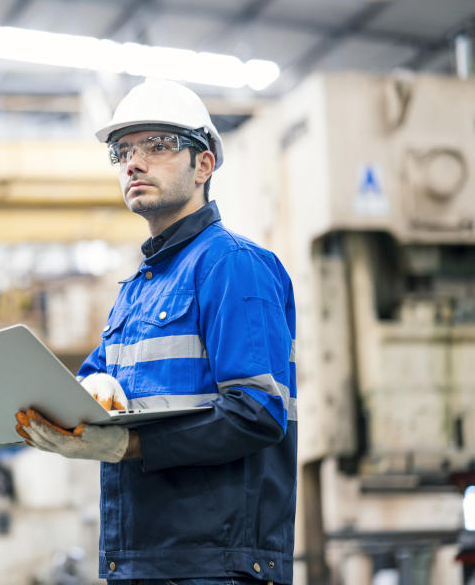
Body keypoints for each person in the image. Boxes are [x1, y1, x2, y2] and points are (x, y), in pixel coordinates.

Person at [15, 79, 297, 585]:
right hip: (140, 560)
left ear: (204, 165)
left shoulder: (233, 266)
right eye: (122, 151)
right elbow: (94, 387)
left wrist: (128, 447)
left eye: (158, 146)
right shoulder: (137, 289)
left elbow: (258, 413)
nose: (134, 163)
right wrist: (71, 412)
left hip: (216, 566)